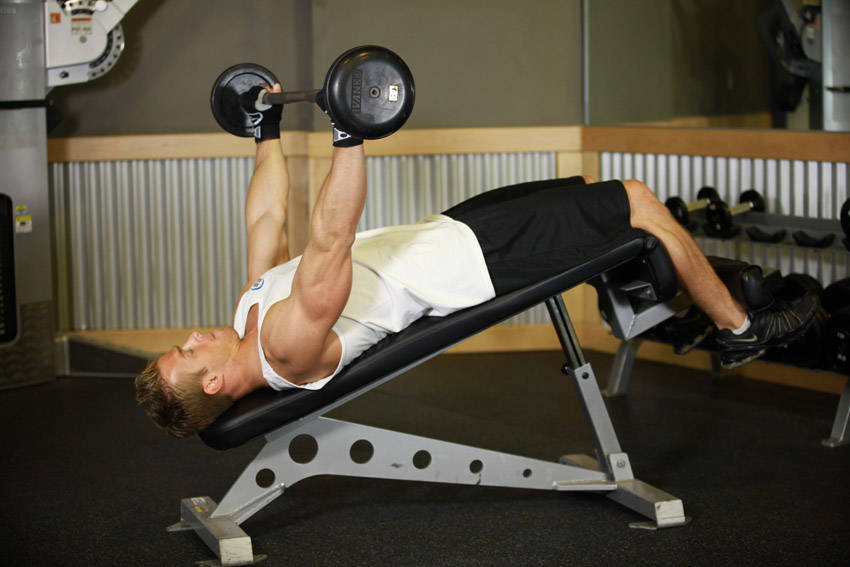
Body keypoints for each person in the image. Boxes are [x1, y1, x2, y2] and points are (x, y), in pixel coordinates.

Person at [135, 87, 818, 438]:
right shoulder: (285, 347)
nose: (191, 337)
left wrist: (264, 127)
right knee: (636, 200)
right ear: (215, 382)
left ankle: (653, 288)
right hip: (477, 263)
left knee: (591, 191)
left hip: (453, 231)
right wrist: (349, 132)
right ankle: (739, 329)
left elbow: (266, 220)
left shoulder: (248, 316)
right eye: (187, 353)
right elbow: (330, 242)